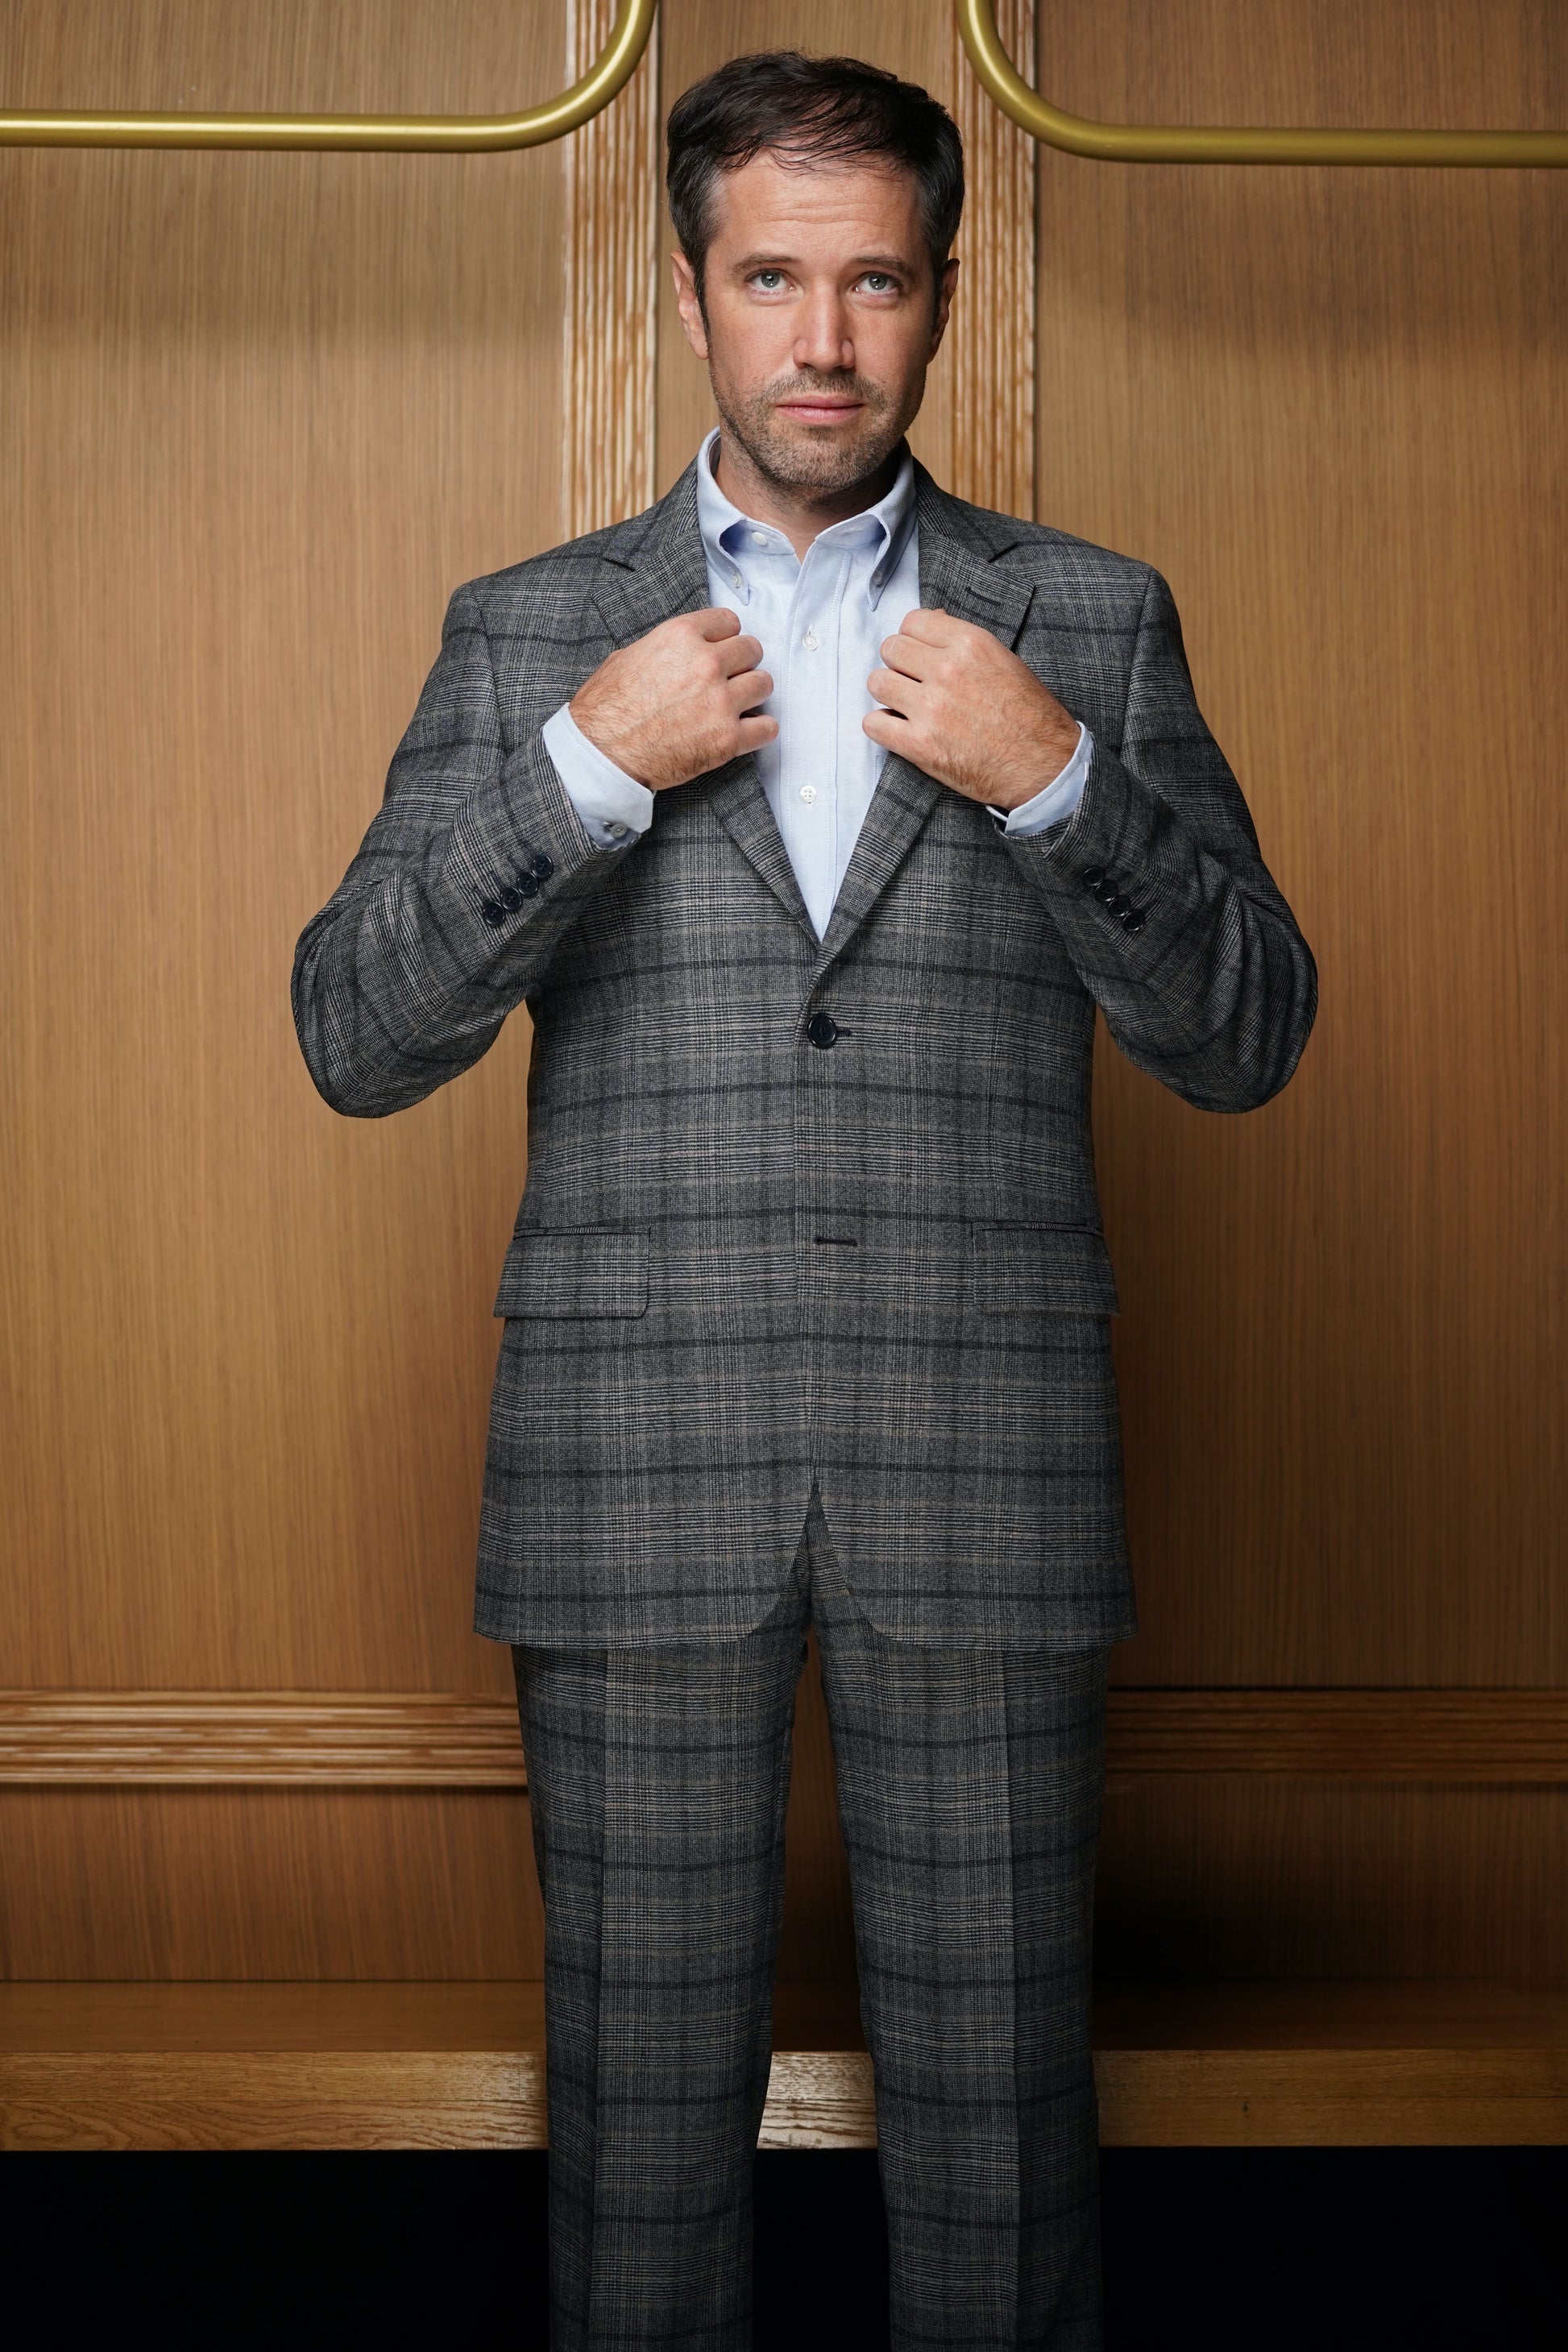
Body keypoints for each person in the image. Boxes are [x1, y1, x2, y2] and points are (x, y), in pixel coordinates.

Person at [292, 48, 1316, 2352]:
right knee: (637, 2158)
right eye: (771, 280)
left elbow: (1249, 1032)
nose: (824, 341)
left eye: (875, 283)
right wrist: (583, 767)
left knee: (1004, 2153)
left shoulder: (1094, 620)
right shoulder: (526, 629)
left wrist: (1061, 785)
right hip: (633, 1466)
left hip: (986, 1461)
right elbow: (354, 1032)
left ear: (942, 295)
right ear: (690, 296)